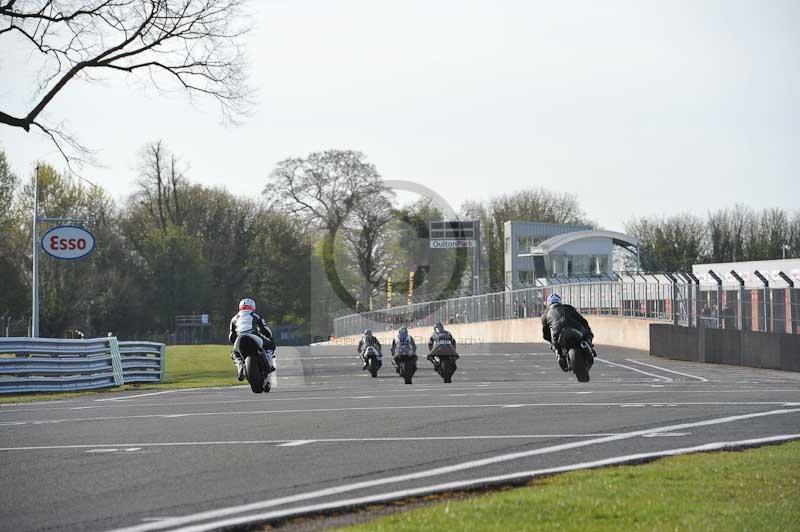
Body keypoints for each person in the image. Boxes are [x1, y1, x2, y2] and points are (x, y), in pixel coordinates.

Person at [541, 293, 594, 372]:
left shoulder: (545, 314)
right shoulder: (568, 307)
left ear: (548, 303)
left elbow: (545, 334)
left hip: (558, 333)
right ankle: (587, 347)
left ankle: (559, 355)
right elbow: (582, 320)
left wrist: (551, 341)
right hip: (574, 328)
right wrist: (588, 330)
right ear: (559, 301)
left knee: (554, 345)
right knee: (587, 334)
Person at [229, 298, 276, 381]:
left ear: (240, 307)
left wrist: (235, 344)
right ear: (253, 307)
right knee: (270, 345)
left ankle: (240, 367)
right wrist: (270, 337)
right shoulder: (255, 315)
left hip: (240, 338)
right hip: (253, 335)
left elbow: (231, 336)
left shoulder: (234, 318)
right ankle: (269, 363)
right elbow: (265, 329)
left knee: (234, 353)